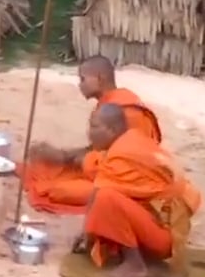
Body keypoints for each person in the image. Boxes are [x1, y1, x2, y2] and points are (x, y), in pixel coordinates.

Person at [77, 103, 204, 277]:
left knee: (105, 198)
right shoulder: (130, 140)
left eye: (94, 127)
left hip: (166, 238)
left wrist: (85, 235)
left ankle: (134, 264)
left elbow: (97, 194)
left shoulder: (121, 154)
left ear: (112, 129)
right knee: (106, 198)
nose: (89, 133)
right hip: (162, 223)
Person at [21, 56, 164, 212]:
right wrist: (62, 155)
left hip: (131, 180)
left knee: (58, 191)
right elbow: (99, 149)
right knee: (51, 169)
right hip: (109, 168)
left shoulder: (128, 112)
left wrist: (80, 161)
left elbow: (130, 162)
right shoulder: (109, 104)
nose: (80, 85)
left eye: (83, 79)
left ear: (99, 78)